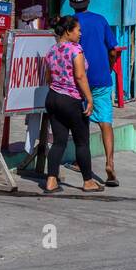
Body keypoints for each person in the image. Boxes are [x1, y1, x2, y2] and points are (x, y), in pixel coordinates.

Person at [43, 15, 104, 194]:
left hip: (53, 98)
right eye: (78, 30)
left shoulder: (51, 51)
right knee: (82, 142)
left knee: (58, 142)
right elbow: (80, 76)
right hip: (71, 100)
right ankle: (88, 181)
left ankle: (51, 181)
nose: (80, 34)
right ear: (68, 31)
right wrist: (90, 99)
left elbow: (48, 78)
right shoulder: (75, 50)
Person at [68, 0, 121, 186]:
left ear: (72, 3)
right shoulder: (101, 20)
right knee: (105, 122)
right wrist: (107, 68)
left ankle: (81, 162)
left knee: (83, 123)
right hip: (102, 78)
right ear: (88, 1)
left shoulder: (70, 23)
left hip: (80, 79)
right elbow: (113, 50)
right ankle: (110, 162)